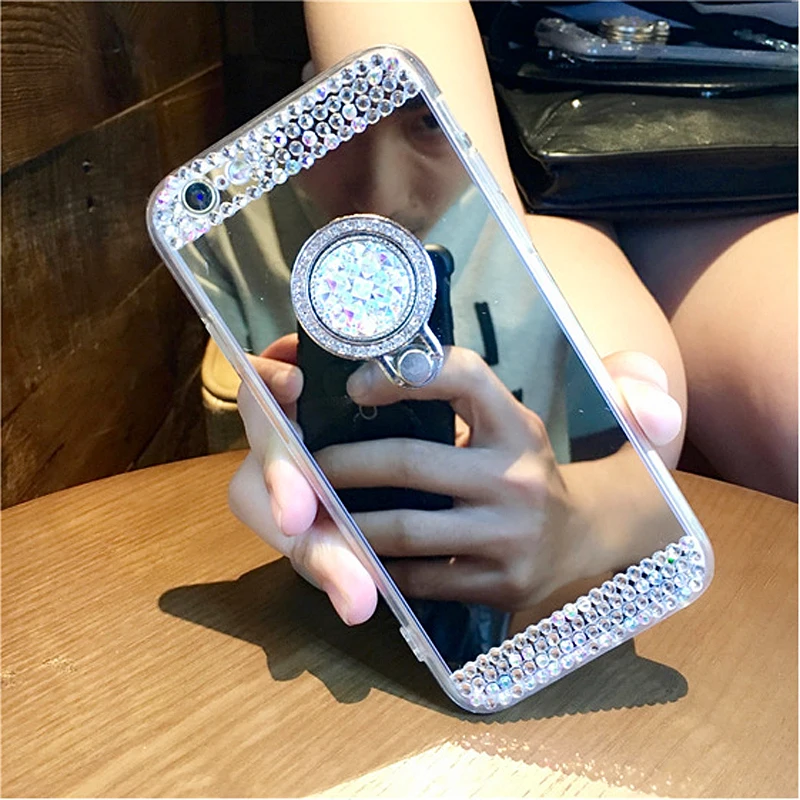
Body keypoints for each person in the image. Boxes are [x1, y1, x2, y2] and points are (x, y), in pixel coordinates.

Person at [226, 1, 796, 629]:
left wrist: (592, 519)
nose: (384, 191)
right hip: (501, 92)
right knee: (598, 388)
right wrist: (592, 516)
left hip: (755, 125)